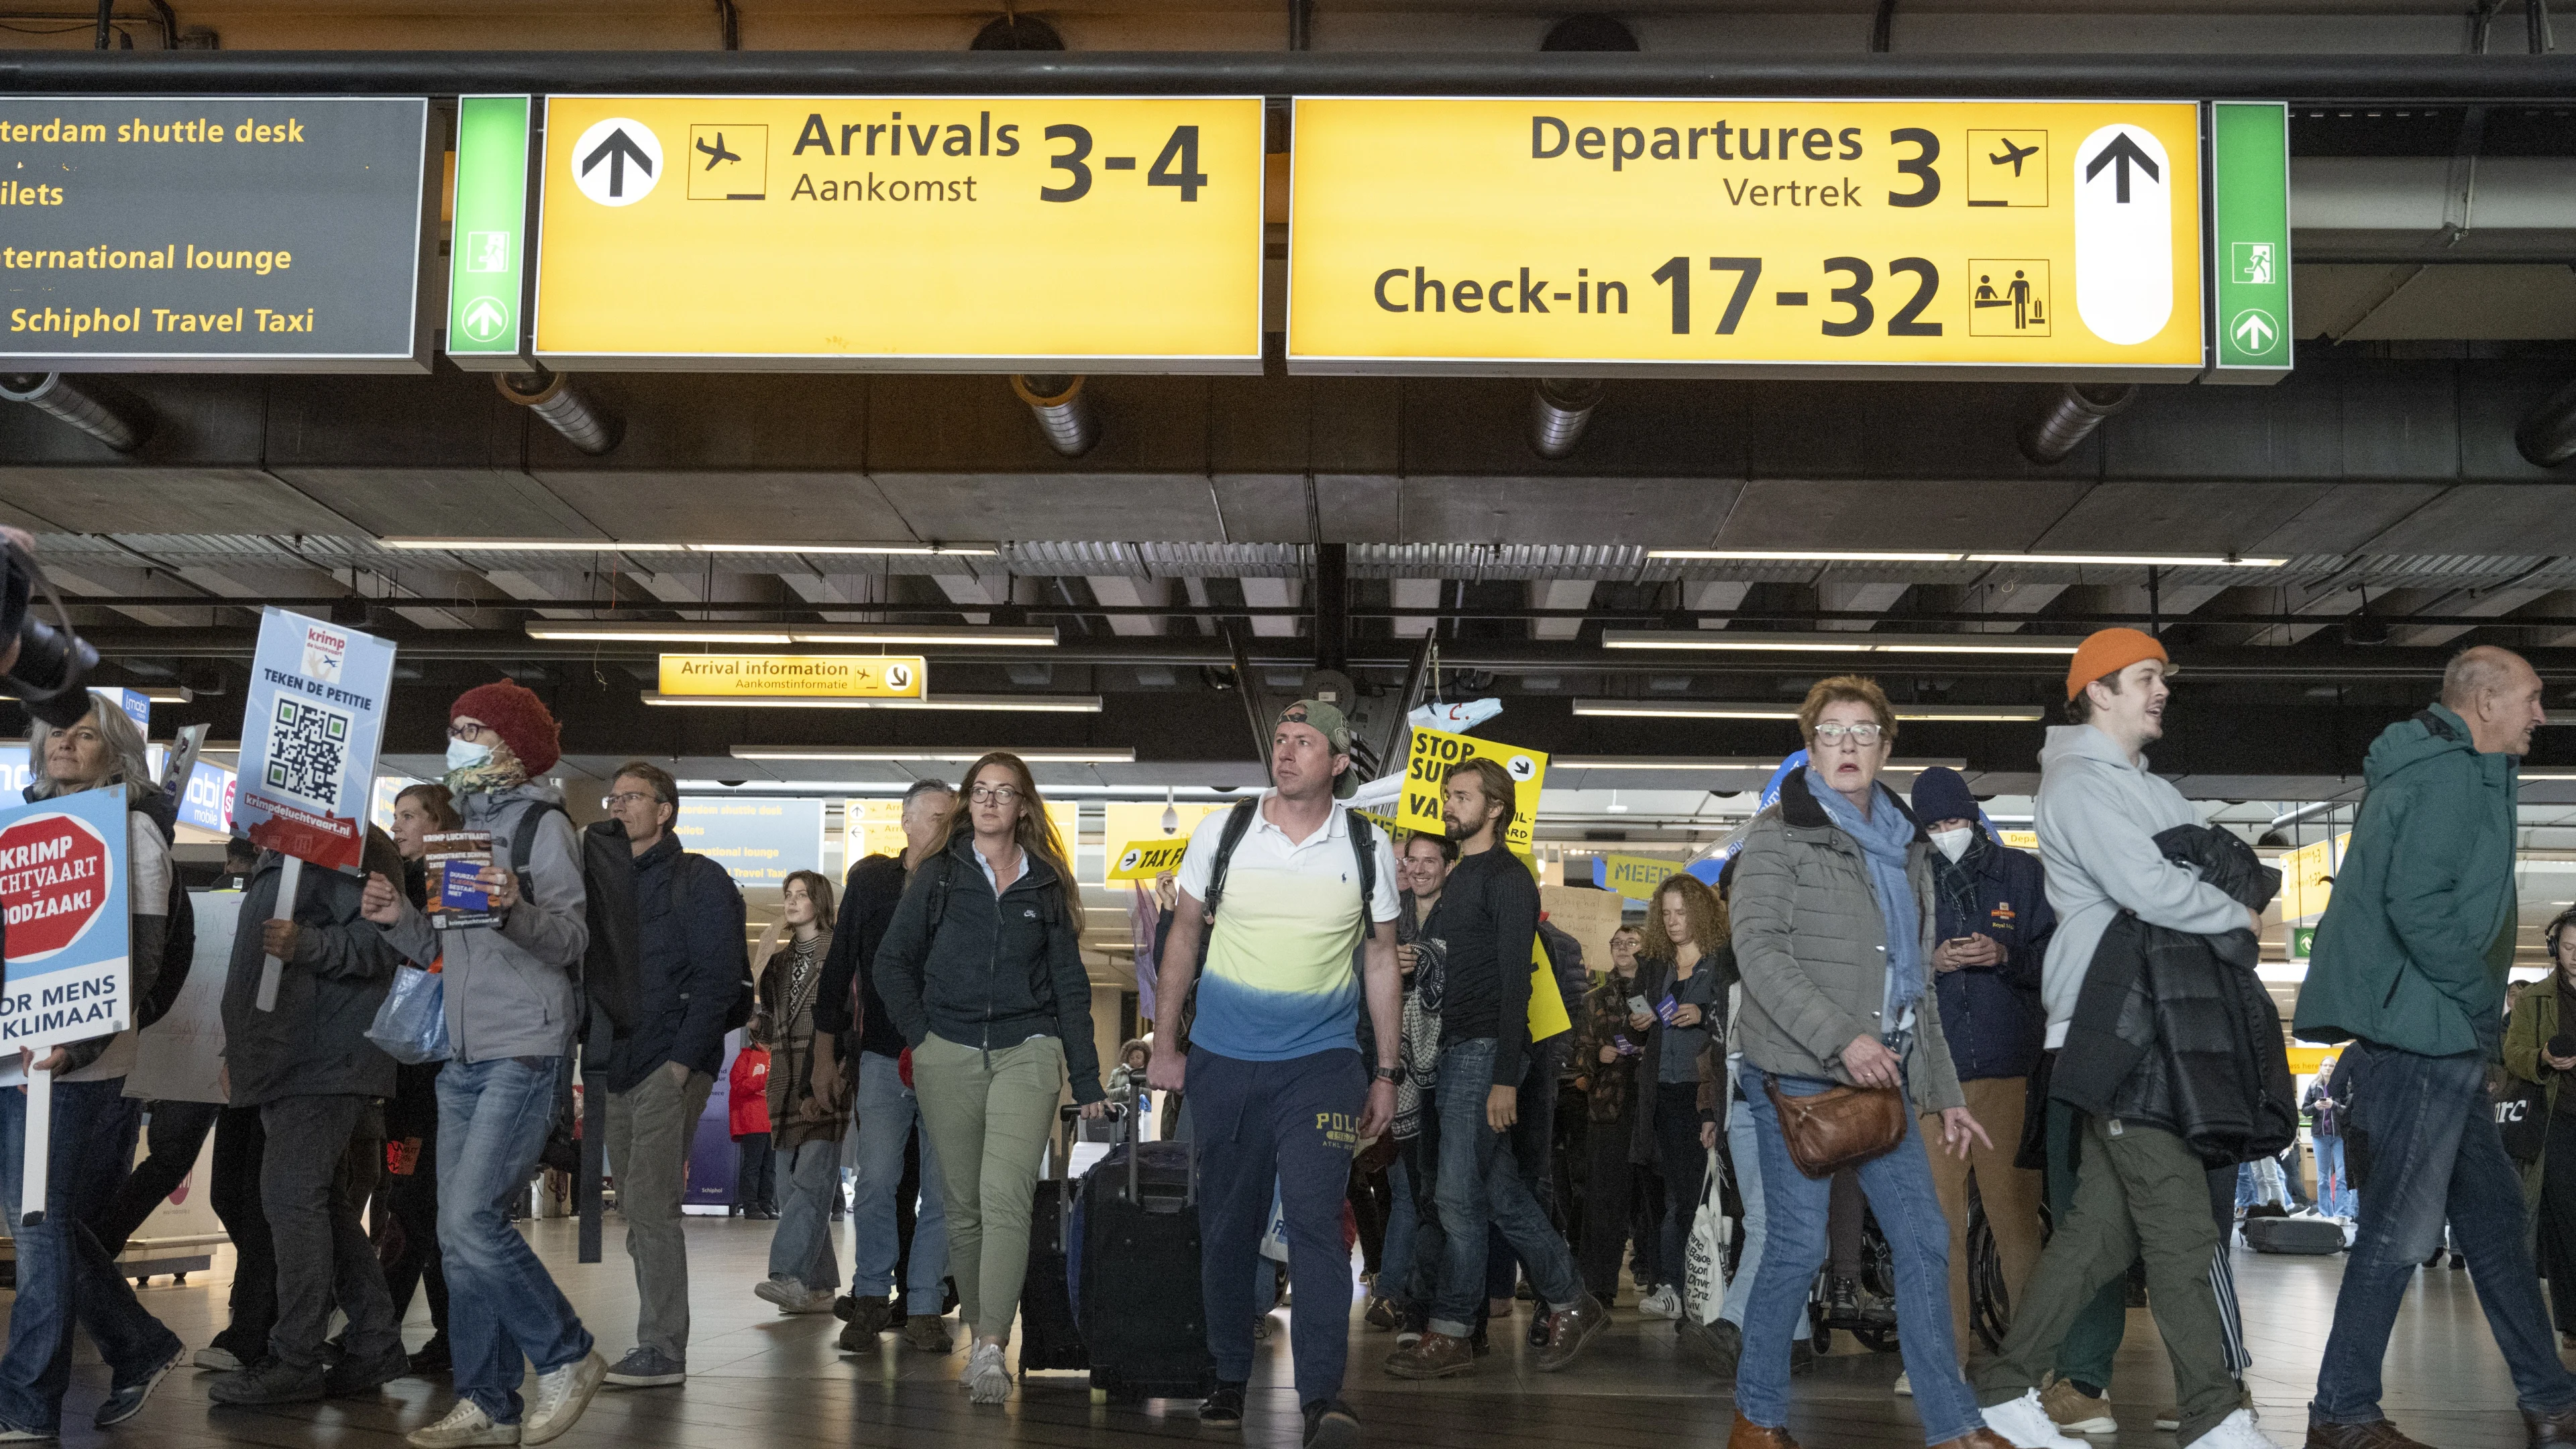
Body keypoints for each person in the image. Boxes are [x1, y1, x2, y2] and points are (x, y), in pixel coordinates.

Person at [1727, 676, 2052, 1449]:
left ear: (1885, 747)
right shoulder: (1778, 835)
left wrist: (1946, 1094)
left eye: (1864, 731)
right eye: (1831, 731)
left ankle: (1953, 1425)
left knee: (1927, 1239)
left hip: (1888, 1078)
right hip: (1800, 1077)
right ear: (1811, 748)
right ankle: (1756, 1420)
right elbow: (1759, 954)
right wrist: (1842, 1039)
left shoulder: (1908, 847)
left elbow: (1916, 985)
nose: (1847, 744)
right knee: (1796, 1248)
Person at [1970, 631, 2270, 1449]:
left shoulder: (2157, 790)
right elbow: (2148, 886)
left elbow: (2228, 865)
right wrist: (2232, 916)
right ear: (2097, 692)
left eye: (2161, 678)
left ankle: (2002, 1390)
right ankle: (2212, 1414)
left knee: (2098, 1233)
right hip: (2114, 1025)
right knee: (2180, 1226)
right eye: (2144, 678)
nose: (2161, 691)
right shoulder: (2075, 783)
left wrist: (2211, 890)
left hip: (2160, 1020)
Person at [2294, 645, 2576, 1449]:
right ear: (2484, 704)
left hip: (2431, 1030)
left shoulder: (2444, 771)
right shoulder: (2448, 776)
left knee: (2494, 1226)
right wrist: (2476, 997)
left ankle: (2551, 1400)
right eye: (2531, 697)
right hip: (2425, 1035)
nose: (2541, 714)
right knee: (2398, 1232)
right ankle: (2341, 1412)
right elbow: (2417, 902)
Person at [1148, 700, 1401, 1449]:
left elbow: (1381, 958)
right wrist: (1165, 1044)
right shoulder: (1223, 832)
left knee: (1317, 1224)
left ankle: (1322, 1395)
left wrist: (1387, 1072)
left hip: (1322, 1065)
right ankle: (1228, 1373)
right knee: (1228, 1226)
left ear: (1339, 762)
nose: (1285, 753)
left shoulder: (1367, 845)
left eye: (1304, 743)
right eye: (1281, 740)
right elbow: (1183, 935)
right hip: (1224, 1061)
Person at [363, 679, 608, 1448]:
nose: (457, 740)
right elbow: (449, 951)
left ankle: (567, 1354)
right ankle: (489, 1402)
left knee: (470, 1220)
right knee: (457, 1229)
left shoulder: (543, 827)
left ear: (512, 744)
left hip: (525, 1045)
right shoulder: (460, 833)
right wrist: (400, 920)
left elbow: (571, 938)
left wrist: (512, 909)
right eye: (456, 726)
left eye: (473, 729)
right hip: (462, 1052)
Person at [875, 752, 1106, 1407]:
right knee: (965, 1208)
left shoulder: (1046, 884)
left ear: (1023, 806)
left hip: (1027, 1050)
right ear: (967, 802)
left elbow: (1069, 987)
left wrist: (1086, 1078)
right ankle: (982, 1335)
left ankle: (989, 1349)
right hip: (947, 1052)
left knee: (1005, 1196)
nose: (990, 801)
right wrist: (923, 1038)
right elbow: (892, 962)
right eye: (980, 790)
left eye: (1004, 792)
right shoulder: (940, 875)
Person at [1382, 757, 1604, 1381]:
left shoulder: (1508, 878)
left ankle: (1453, 1330)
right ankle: (1572, 1300)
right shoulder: (1462, 877)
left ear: (1496, 807)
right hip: (1453, 1050)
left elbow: (1515, 984)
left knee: (1456, 1195)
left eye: (1461, 796)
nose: (1448, 805)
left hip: (1484, 1052)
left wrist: (1506, 1075)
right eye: (1447, 795)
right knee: (1498, 1192)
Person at [0, 698, 186, 1440]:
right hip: (17, 1051)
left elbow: (139, 960)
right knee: (43, 1223)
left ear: (117, 753)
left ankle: (27, 1403)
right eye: (57, 732)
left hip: (74, 1061)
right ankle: (139, 1345)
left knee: (39, 1227)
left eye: (84, 735)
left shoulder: (132, 832)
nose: (64, 744)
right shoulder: (28, 827)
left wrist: (75, 1046)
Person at [207, 822, 411, 1405]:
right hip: (289, 1055)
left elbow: (382, 943)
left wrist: (309, 946)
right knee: (317, 1203)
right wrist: (240, 1049)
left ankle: (295, 1357)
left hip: (323, 1056)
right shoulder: (284, 844)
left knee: (291, 1200)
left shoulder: (351, 839)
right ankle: (373, 1341)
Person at [591, 760, 745, 1389]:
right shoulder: (602, 881)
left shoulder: (699, 879)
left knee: (652, 1206)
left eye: (633, 797)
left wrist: (681, 1063)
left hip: (667, 1065)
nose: (619, 806)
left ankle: (662, 1348)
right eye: (614, 797)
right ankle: (657, 1340)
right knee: (635, 1206)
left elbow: (719, 979)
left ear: (665, 811)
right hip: (614, 1065)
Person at [1910, 765, 2054, 1379]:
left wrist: (2006, 954)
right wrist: (1930, 962)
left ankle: (2034, 1359)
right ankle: (1944, 1359)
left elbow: (2056, 958)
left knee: (2016, 1221)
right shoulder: (1907, 882)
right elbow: (1884, 972)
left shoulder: (2022, 875)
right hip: (1933, 1076)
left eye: (1957, 820)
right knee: (1937, 1227)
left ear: (1975, 819)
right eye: (1936, 825)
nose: (1949, 832)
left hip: (2008, 1069)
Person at [816, 777, 957, 1352]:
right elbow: (839, 965)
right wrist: (824, 1055)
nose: (947, 828)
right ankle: (871, 1295)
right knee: (875, 1180)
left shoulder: (963, 883)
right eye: (937, 818)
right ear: (906, 820)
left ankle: (924, 1304)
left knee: (943, 1190)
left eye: (952, 819)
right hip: (880, 1054)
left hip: (948, 1058)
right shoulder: (871, 881)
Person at [381, 782, 458, 1375]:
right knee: (410, 1199)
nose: (398, 826)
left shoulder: (447, 881)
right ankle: (430, 1334)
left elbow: (444, 956)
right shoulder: (404, 882)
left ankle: (434, 1334)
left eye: (409, 816)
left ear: (439, 823)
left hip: (436, 1069)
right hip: (406, 1073)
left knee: (420, 1201)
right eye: (396, 815)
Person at [1630, 875, 1731, 1329]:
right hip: (1663, 1090)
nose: (1673, 922)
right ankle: (1674, 1285)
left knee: (1700, 1195)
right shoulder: (1655, 965)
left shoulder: (1721, 961)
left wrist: (1703, 1015)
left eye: (1682, 912)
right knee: (1673, 1193)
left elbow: (1733, 1020)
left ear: (1700, 913)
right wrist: (1639, 1022)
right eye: (1666, 913)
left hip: (1703, 1090)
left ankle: (1698, 1288)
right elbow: (1637, 1021)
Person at [754, 869, 852, 1315]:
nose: (792, 902)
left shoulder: (840, 953)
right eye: (788, 895)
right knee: (790, 1190)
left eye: (802, 894)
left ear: (820, 901)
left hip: (823, 1077)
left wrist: (841, 1075)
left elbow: (850, 1020)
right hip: (783, 1082)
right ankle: (819, 1287)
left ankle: (788, 1276)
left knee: (812, 1182)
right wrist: (753, 1008)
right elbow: (768, 1028)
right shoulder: (778, 963)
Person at [1376, 830, 1456, 1339]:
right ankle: (1402, 1299)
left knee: (1451, 1196)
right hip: (1401, 1076)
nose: (1418, 868)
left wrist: (1428, 959)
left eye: (1429, 860)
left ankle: (1443, 1308)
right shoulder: (1391, 915)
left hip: (1454, 1067)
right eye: (1411, 860)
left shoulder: (1461, 913)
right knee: (1411, 1192)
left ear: (1448, 866)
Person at [2505, 910, 2576, 1348]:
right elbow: (2513, 1053)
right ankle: (2572, 1321)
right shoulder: (2536, 999)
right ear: (2554, 949)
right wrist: (2543, 1059)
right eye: (2568, 947)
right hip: (2558, 1121)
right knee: (2564, 1221)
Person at [1576, 925, 1657, 1307]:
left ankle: (1657, 1275)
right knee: (1604, 1197)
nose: (1623, 949)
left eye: (1631, 943)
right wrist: (1597, 1056)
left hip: (1650, 1103)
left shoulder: (1657, 995)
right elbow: (1579, 1051)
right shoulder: (1594, 998)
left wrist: (1648, 1051)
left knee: (1653, 1197)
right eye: (1617, 943)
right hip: (1609, 1107)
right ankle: (1598, 1284)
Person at [2302, 1059, 2351, 1221]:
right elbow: (2305, 1110)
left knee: (2342, 1176)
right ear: (2320, 1067)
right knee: (2323, 1177)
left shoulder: (2343, 1087)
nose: (2328, 1068)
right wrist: (2315, 1106)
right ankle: (2326, 1213)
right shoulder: (2313, 1086)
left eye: (2332, 1066)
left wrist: (2333, 1105)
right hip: (2320, 1136)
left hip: (2340, 1136)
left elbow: (2349, 1110)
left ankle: (2342, 1214)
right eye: (2325, 1065)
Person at [729, 1042, 774, 1220]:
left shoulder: (775, 1056)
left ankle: (766, 1204)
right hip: (752, 1119)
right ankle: (750, 1205)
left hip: (772, 1119)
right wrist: (765, 1078)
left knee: (770, 1167)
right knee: (753, 1165)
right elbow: (739, 1086)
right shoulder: (745, 1058)